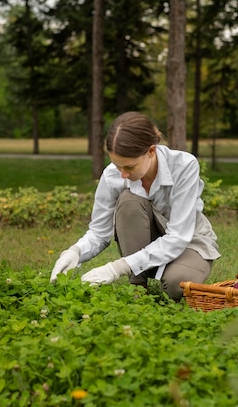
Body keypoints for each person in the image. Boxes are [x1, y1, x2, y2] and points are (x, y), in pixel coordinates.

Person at [50, 111, 220, 301]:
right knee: (129, 201)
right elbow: (99, 232)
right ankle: (137, 287)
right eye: (117, 166)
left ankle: (162, 271)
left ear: (151, 151)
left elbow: (178, 236)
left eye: (129, 167)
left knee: (176, 284)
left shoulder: (184, 166)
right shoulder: (112, 175)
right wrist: (75, 252)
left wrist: (118, 267)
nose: (122, 174)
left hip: (188, 242)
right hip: (144, 243)